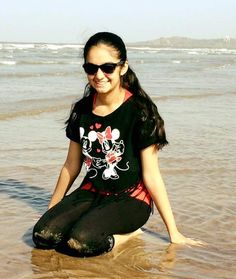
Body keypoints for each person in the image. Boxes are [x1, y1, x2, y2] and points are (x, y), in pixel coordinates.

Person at [32, 32, 203, 257]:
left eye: (108, 68)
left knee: (79, 242)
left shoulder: (141, 113)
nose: (99, 75)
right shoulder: (82, 110)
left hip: (131, 198)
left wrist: (174, 232)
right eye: (91, 68)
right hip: (92, 192)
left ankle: (129, 233)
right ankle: (89, 222)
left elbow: (152, 175)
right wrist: (52, 210)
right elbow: (71, 165)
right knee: (43, 235)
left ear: (123, 68)